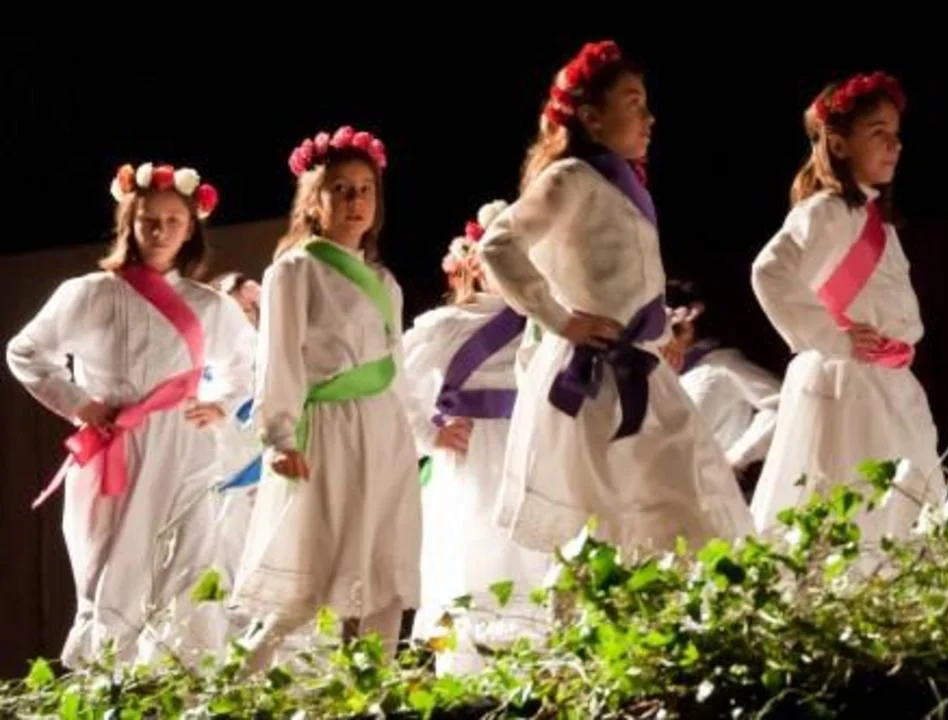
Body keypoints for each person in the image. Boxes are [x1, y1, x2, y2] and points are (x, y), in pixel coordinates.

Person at [479, 41, 752, 555]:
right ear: (591, 118)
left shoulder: (621, 186)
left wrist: (661, 331)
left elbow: (622, 280)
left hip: (640, 368)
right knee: (606, 519)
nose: (649, 117)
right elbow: (498, 245)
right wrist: (561, 319)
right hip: (595, 377)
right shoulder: (571, 178)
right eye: (633, 103)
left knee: (676, 500)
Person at [7, 162, 254, 666]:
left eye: (173, 221)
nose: (160, 231)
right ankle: (113, 683)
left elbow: (248, 362)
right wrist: (81, 403)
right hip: (116, 449)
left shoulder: (209, 306)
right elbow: (25, 351)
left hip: (185, 449)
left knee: (188, 567)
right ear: (129, 224)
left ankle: (183, 681)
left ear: (190, 228)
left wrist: (221, 403)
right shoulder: (89, 293)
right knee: (112, 573)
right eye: (148, 221)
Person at [231, 126, 421, 666]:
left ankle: (372, 687)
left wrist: (415, 437)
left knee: (385, 573)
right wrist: (279, 436)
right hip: (331, 433)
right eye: (340, 189)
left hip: (384, 433)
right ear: (315, 200)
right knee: (313, 572)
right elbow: (279, 358)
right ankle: (240, 682)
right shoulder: (294, 271)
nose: (355, 200)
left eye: (365, 189)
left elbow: (396, 369)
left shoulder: (385, 282)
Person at [749, 72, 946, 547]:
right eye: (878, 132)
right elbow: (769, 272)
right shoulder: (827, 211)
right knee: (853, 509)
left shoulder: (871, 217)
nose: (894, 144)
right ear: (838, 144)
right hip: (851, 388)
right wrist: (834, 339)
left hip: (886, 384)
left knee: (898, 513)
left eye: (896, 133)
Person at [402, 200, 550, 671]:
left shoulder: (547, 322)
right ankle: (465, 679)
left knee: (533, 561)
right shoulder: (447, 325)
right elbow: (396, 384)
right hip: (473, 460)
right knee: (473, 558)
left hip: (530, 453)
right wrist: (429, 434)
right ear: (475, 264)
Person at [665, 280, 781, 500]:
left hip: (721, 496)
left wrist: (737, 458)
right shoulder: (666, 379)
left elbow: (782, 404)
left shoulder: (723, 365)